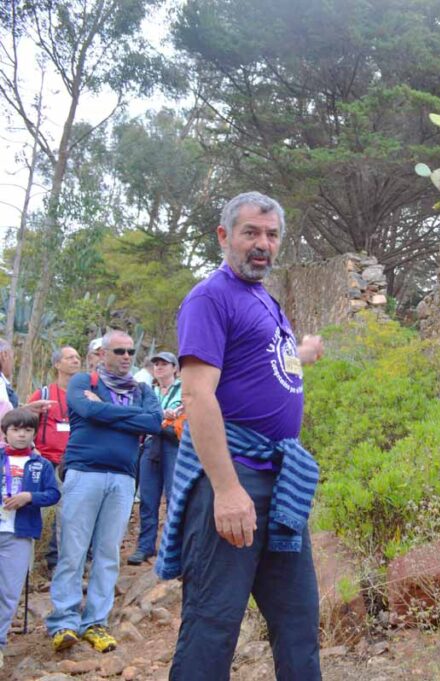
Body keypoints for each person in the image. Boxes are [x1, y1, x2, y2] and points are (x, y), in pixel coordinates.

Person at [156, 191, 324, 680]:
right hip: (235, 479)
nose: (262, 244)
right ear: (225, 236)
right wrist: (227, 491)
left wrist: (305, 352)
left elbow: (270, 365)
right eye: (251, 232)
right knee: (213, 626)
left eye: (271, 235)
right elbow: (198, 397)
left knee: (298, 623)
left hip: (280, 483)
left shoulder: (265, 300)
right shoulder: (211, 297)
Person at [46, 330, 162, 654]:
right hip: (84, 473)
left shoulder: (141, 389)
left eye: (130, 351)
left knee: (108, 554)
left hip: (123, 480)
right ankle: (64, 623)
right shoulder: (85, 381)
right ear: (103, 355)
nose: (126, 356)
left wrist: (109, 415)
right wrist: (131, 419)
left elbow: (154, 423)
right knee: (73, 550)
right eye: (119, 351)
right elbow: (89, 412)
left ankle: (95, 622)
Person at [0, 408, 60, 669]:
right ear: (5, 433)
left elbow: (53, 494)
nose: (21, 435)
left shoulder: (41, 464)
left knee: (9, 592)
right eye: (15, 430)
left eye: (27, 430)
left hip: (20, 533)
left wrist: (29, 497)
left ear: (35, 433)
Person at [28, 347, 81, 572]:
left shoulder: (82, 393)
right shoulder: (44, 394)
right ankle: (26, 564)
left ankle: (55, 561)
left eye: (78, 358)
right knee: (33, 508)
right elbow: (24, 423)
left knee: (66, 512)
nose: (75, 361)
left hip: (71, 462)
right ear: (57, 364)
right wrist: (32, 449)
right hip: (44, 460)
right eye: (70, 358)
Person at [128, 352, 182, 565]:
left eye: (164, 364)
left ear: (174, 368)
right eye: (156, 364)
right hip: (151, 444)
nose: (159, 367)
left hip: (174, 444)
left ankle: (173, 546)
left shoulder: (185, 389)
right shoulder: (148, 391)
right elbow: (140, 417)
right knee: (148, 498)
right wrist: (162, 417)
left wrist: (158, 418)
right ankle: (145, 546)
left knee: (173, 497)